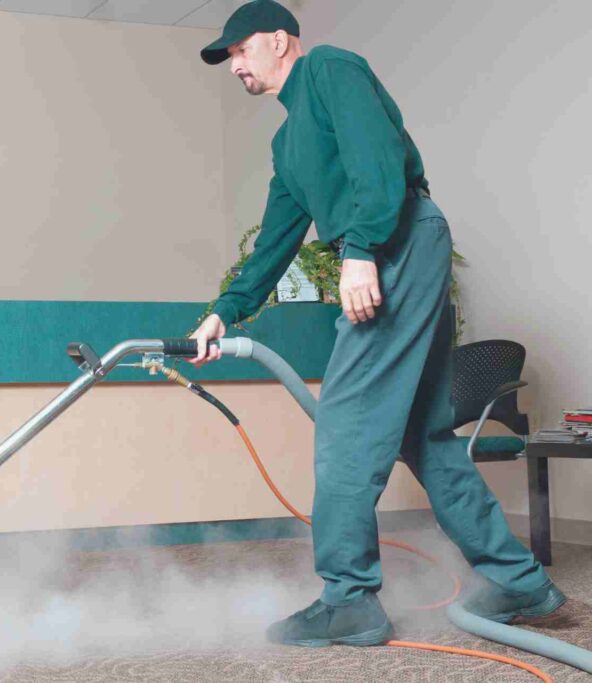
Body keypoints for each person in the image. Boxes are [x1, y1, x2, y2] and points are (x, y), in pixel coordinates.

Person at [189, 0, 565, 647]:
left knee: (345, 421)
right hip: (392, 249)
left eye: (240, 50)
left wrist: (360, 250)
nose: (233, 66)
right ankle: (518, 580)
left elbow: (377, 159)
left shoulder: (331, 71)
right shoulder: (289, 140)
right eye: (227, 58)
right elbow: (277, 239)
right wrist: (226, 310)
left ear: (280, 41)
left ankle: (349, 599)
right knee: (425, 436)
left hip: (397, 242)